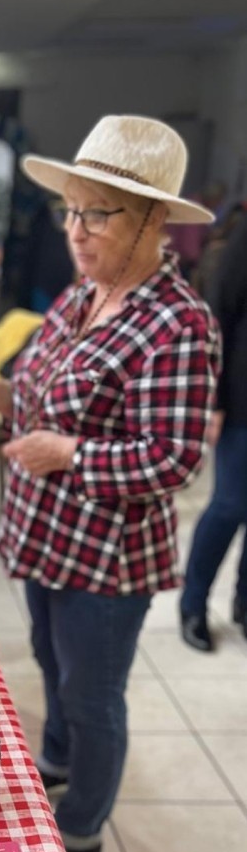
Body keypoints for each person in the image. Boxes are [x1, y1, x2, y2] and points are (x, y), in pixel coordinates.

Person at [0, 116, 220, 852]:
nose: (77, 230)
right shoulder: (78, 298)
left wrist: (68, 454)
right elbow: (36, 401)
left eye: (98, 213)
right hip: (43, 535)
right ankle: (56, 766)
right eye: (71, 209)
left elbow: (172, 459)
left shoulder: (178, 324)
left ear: (155, 220)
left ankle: (82, 829)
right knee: (48, 661)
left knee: (93, 696)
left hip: (108, 556)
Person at [180, 209, 247, 650]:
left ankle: (245, 604)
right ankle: (193, 604)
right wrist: (217, 400)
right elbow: (218, 318)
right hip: (243, 402)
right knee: (229, 505)